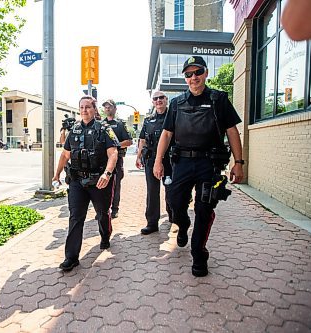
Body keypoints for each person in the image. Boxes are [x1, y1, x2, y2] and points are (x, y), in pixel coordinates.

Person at [153, 56, 244, 277]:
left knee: (204, 209)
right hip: (182, 163)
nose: (193, 78)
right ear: (185, 78)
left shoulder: (219, 99)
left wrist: (239, 163)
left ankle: (198, 254)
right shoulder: (176, 103)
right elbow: (167, 134)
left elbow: (232, 131)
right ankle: (182, 225)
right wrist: (158, 160)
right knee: (175, 203)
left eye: (197, 72)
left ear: (205, 73)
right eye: (188, 74)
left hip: (209, 164)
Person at [52, 95, 120, 272]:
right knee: (76, 217)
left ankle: (105, 236)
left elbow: (113, 153)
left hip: (99, 181)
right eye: (81, 107)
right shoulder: (73, 130)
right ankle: (71, 257)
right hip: (77, 181)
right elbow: (65, 154)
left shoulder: (104, 129)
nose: (84, 110)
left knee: (102, 213)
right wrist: (57, 174)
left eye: (88, 107)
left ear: (94, 109)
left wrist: (107, 174)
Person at [135, 91, 173, 235]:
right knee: (152, 191)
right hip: (151, 159)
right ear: (153, 102)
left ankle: (173, 215)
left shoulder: (173, 117)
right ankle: (152, 223)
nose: (158, 100)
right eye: (155, 99)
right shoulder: (148, 120)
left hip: (170, 160)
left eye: (161, 98)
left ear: (166, 100)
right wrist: (138, 157)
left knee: (171, 190)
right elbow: (143, 139)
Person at [102, 99, 133, 218]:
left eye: (110, 106)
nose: (107, 108)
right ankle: (103, 209)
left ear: (115, 108)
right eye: (105, 107)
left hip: (117, 159)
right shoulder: (100, 124)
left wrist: (114, 145)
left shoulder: (120, 124)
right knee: (101, 184)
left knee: (116, 185)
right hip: (103, 160)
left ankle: (115, 208)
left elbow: (129, 141)